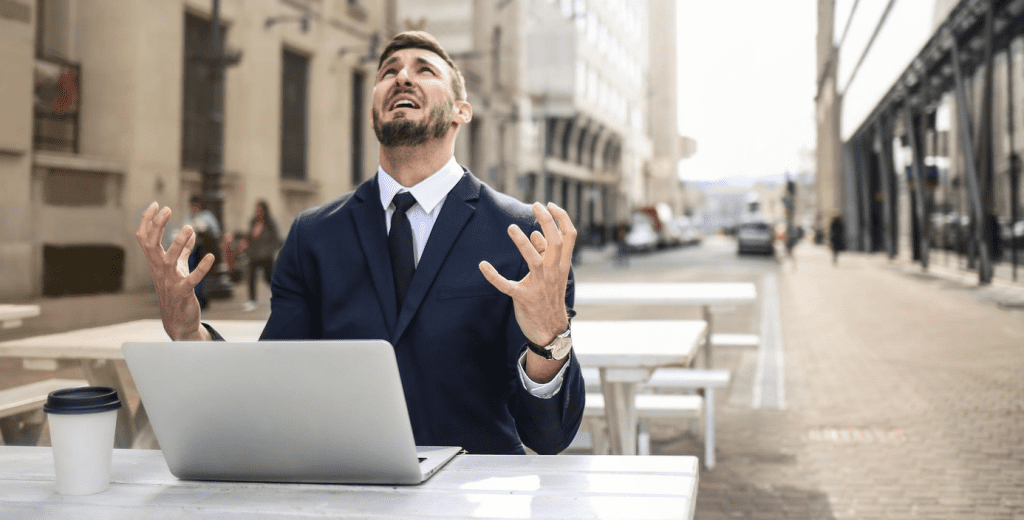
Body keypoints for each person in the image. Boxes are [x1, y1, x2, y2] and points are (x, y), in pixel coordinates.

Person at [135, 31, 585, 455]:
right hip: (346, 490)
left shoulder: (525, 237)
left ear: (461, 112)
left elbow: (547, 435)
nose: (402, 76)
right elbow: (272, 387)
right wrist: (188, 333)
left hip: (471, 495)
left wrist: (549, 339)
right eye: (389, 71)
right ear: (372, 114)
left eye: (424, 69)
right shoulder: (312, 236)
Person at [240, 200, 282, 312]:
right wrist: (245, 243)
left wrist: (269, 251)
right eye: (256, 209)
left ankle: (280, 297)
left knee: (268, 278)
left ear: (264, 210)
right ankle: (252, 300)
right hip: (253, 255)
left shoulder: (270, 223)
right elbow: (249, 236)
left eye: (259, 209)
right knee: (251, 277)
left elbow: (277, 240)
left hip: (266, 256)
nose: (257, 211)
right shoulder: (253, 221)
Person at [186, 195, 222, 309]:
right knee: (192, 272)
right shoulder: (188, 218)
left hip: (204, 249)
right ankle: (195, 297)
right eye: (192, 206)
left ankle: (202, 298)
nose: (193, 208)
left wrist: (204, 228)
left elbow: (216, 231)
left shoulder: (207, 217)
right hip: (192, 250)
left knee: (202, 274)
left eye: (195, 206)